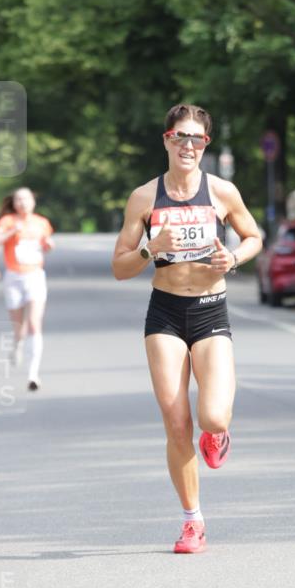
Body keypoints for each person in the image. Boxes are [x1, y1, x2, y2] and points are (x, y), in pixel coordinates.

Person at [112, 104, 262, 554]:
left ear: (205, 145)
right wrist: (148, 249)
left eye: (196, 139)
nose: (188, 146)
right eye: (180, 137)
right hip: (164, 314)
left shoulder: (222, 192)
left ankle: (217, 432)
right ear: (166, 140)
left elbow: (254, 236)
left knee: (211, 416)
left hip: (211, 309)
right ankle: (192, 520)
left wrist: (233, 258)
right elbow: (119, 267)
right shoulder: (143, 198)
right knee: (176, 422)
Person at [0, 188, 54, 391]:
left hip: (35, 275)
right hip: (13, 277)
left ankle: (33, 374)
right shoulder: (7, 221)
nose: (22, 202)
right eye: (18, 199)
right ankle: (17, 342)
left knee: (34, 323)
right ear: (14, 203)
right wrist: (10, 232)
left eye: (25, 199)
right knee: (19, 327)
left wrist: (49, 244)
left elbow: (47, 243)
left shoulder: (41, 222)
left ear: (33, 201)